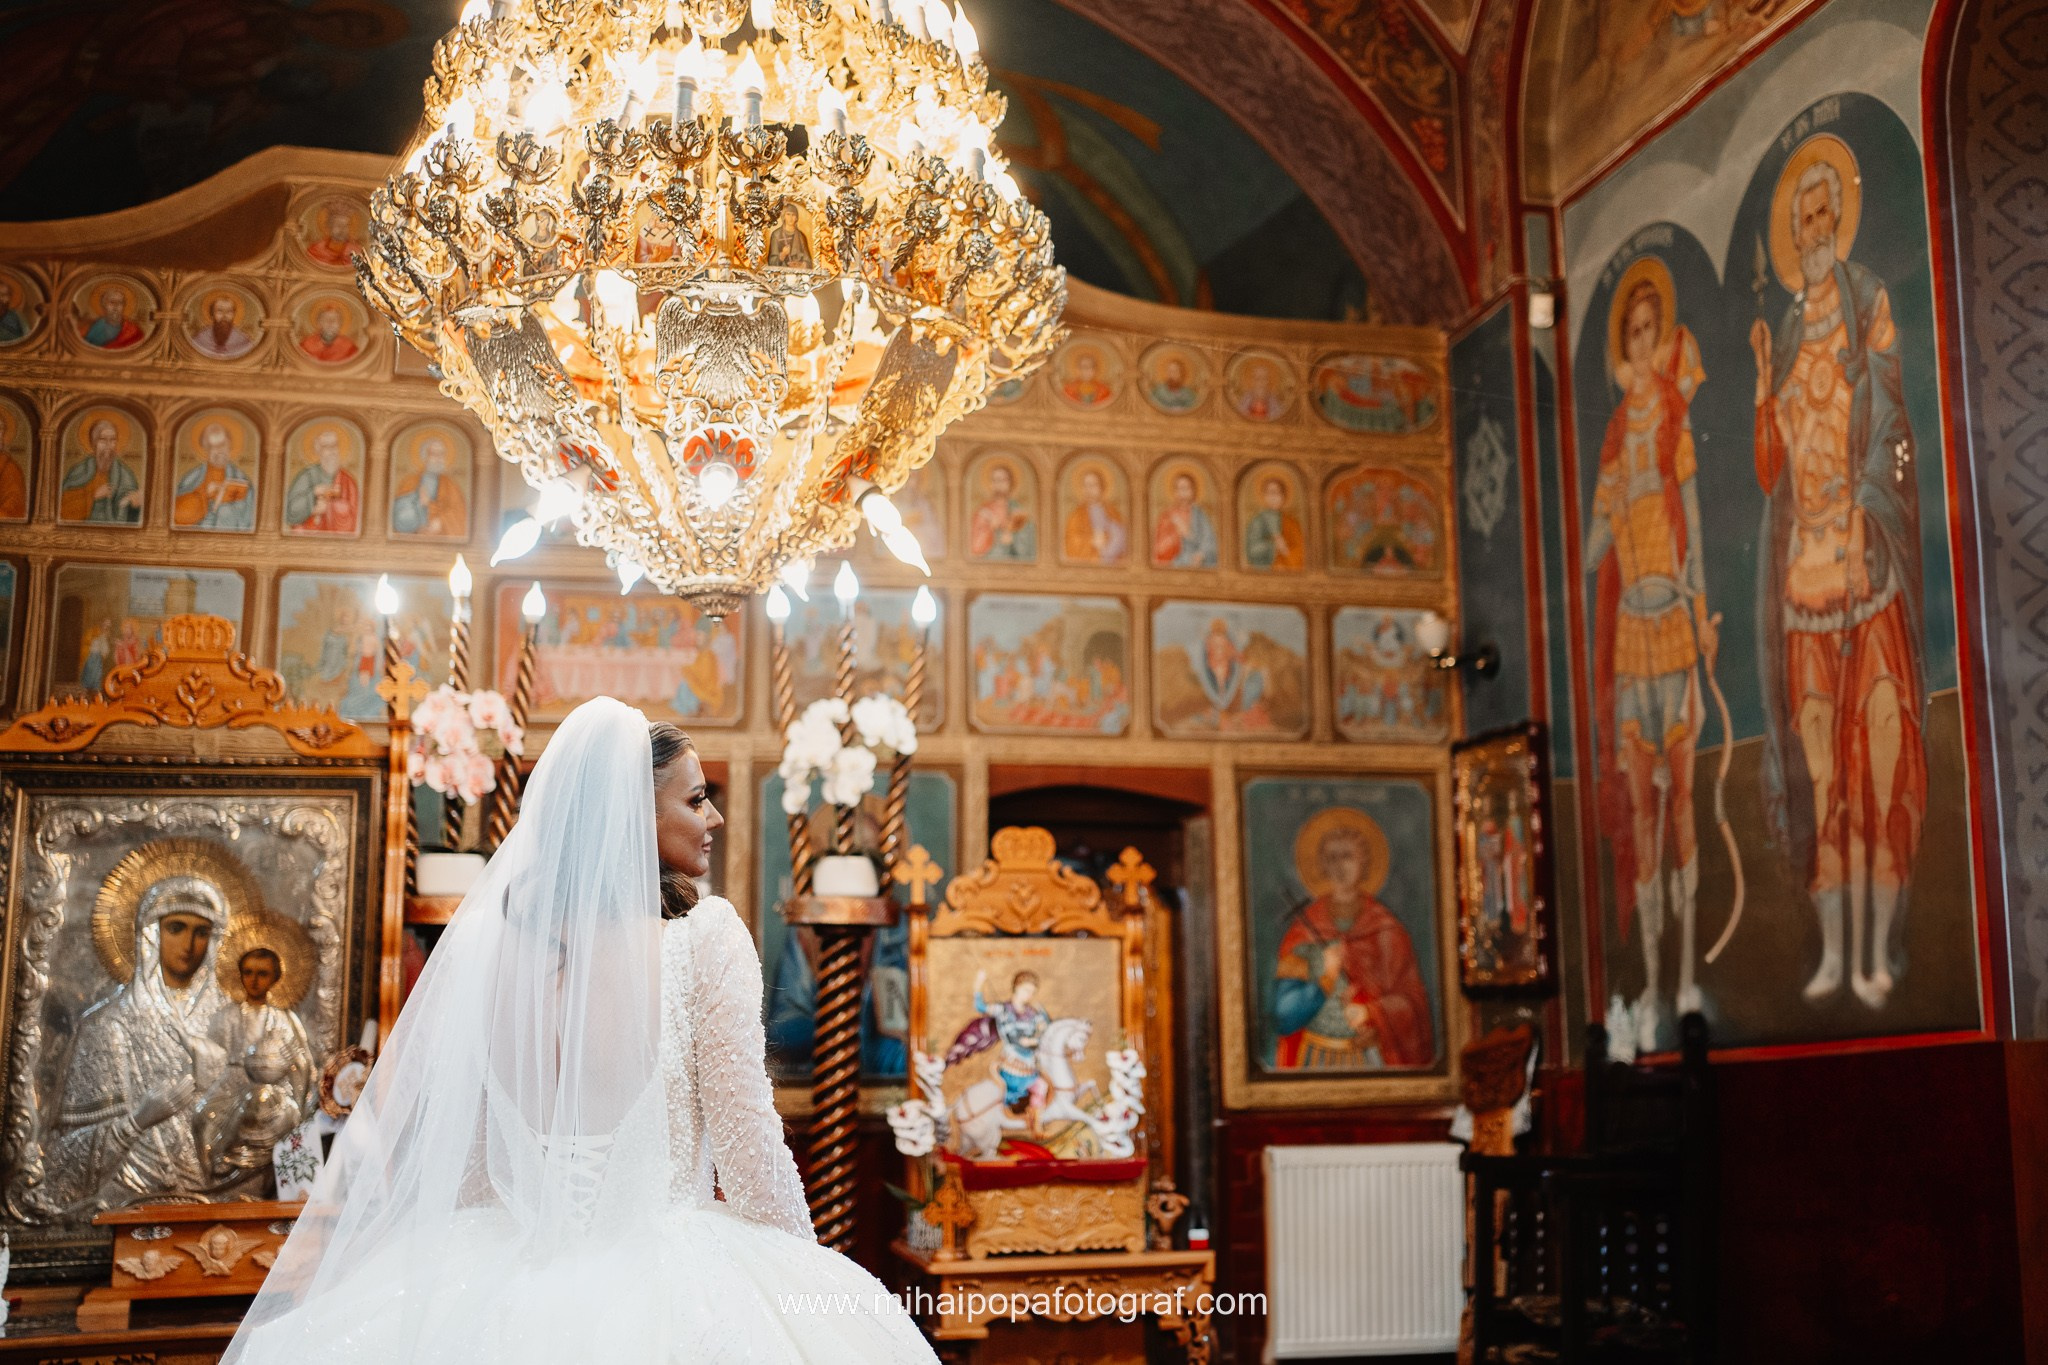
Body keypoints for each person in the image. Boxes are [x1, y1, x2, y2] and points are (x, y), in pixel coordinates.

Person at [221, 699, 936, 1364]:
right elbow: (749, 1149)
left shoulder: (493, 950)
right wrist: (803, 1280)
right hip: (669, 1280)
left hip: (503, 1270)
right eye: (695, 799)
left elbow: (474, 1164)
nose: (715, 816)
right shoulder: (705, 939)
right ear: (632, 815)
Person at [1750, 149, 1927, 1010]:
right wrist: (1760, 393)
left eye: (1824, 215)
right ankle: (1833, 952)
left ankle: (1878, 950)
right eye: (1803, 222)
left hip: (1866, 563)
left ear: (1839, 220)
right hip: (1804, 579)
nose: (1814, 232)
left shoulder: (1868, 304)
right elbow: (1770, 470)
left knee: (1880, 751)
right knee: (1824, 776)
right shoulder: (1785, 335)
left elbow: (1892, 418)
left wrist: (1864, 508)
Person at [1585, 266, 1711, 1044]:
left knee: (1683, 796)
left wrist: (1701, 602)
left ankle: (1689, 973)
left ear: (1659, 338)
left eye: (1648, 329)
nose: (1640, 343)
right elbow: (1592, 547)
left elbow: (1691, 507)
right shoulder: (1611, 438)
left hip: (1673, 618)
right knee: (1643, 805)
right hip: (1631, 629)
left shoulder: (1672, 416)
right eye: (1630, 332)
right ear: (1620, 345)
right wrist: (1603, 516)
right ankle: (1656, 983)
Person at [173, 422, 256, 529]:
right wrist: (204, 494)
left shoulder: (240, 477)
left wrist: (224, 506)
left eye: (223, 445)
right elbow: (176, 513)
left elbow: (249, 512)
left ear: (229, 446)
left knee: (225, 511)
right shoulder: (193, 477)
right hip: (199, 529)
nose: (219, 451)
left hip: (227, 529)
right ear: (206, 450)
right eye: (213, 447)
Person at [60, 418, 143, 523]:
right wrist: (93, 496)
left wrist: (132, 504)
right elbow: (62, 509)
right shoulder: (79, 470)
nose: (108, 445)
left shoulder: (125, 474)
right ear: (93, 443)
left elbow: (132, 516)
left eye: (113, 440)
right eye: (103, 440)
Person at [285, 428, 361, 534]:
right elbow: (290, 511)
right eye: (326, 447)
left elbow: (356, 515)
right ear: (318, 451)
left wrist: (330, 508)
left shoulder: (348, 480)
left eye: (334, 446)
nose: (332, 451)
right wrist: (314, 493)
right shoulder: (307, 476)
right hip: (308, 535)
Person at [390, 435, 467, 537]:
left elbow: (460, 513)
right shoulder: (409, 482)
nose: (438, 458)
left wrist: (441, 521)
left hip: (441, 538)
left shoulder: (450, 485)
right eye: (433, 454)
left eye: (441, 454)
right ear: (424, 457)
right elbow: (396, 514)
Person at [1152, 470, 1218, 569]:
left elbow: (1210, 541)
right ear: (1174, 492)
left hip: (1199, 562)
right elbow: (1159, 547)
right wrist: (1175, 537)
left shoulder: (1200, 515)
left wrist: (1201, 555)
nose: (1182, 493)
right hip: (1174, 563)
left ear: (1193, 490)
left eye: (1186, 488)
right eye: (1179, 489)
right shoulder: (1168, 516)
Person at [1062, 465, 1126, 564]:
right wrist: (1091, 541)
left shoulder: (1113, 513)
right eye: (1085, 486)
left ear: (1102, 487)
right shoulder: (1076, 515)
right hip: (1087, 566)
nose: (1088, 490)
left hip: (1112, 565)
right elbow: (1070, 542)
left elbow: (1123, 539)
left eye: (1093, 485)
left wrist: (1109, 542)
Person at [1243, 474, 1304, 570]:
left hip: (1290, 570)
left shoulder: (1291, 522)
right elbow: (1251, 550)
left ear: (1283, 496)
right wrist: (1273, 546)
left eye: (1277, 493)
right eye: (1270, 493)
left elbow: (1301, 549)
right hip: (1265, 571)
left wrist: (1286, 551)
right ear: (1264, 496)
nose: (1274, 497)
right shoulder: (1258, 521)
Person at [190, 295, 256, 359]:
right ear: (212, 314)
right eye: (220, 311)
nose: (224, 316)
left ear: (234, 315)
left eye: (229, 311)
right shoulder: (200, 338)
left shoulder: (243, 340)